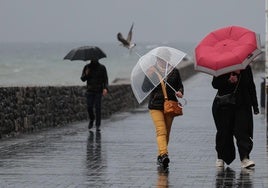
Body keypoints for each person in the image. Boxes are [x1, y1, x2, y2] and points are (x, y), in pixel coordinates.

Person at [142, 49, 184, 169]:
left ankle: (160, 156)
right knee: (161, 130)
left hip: (170, 105)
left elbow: (180, 85)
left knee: (167, 132)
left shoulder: (175, 71)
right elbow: (145, 88)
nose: (162, 61)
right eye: (160, 59)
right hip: (155, 105)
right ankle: (164, 154)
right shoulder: (152, 71)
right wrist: (148, 76)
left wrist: (180, 92)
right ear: (157, 59)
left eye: (165, 59)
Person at [212, 65, 259, 169]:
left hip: (242, 105)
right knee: (224, 132)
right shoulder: (221, 67)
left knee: (242, 132)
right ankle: (221, 157)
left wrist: (255, 105)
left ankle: (245, 158)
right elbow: (215, 84)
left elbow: (251, 85)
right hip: (224, 106)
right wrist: (229, 80)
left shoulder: (246, 68)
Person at [81, 59, 109, 131]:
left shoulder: (102, 67)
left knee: (98, 108)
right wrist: (86, 74)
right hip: (90, 90)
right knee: (89, 107)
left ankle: (97, 124)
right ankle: (92, 119)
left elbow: (105, 79)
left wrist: (105, 88)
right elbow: (83, 79)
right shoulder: (87, 67)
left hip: (98, 91)